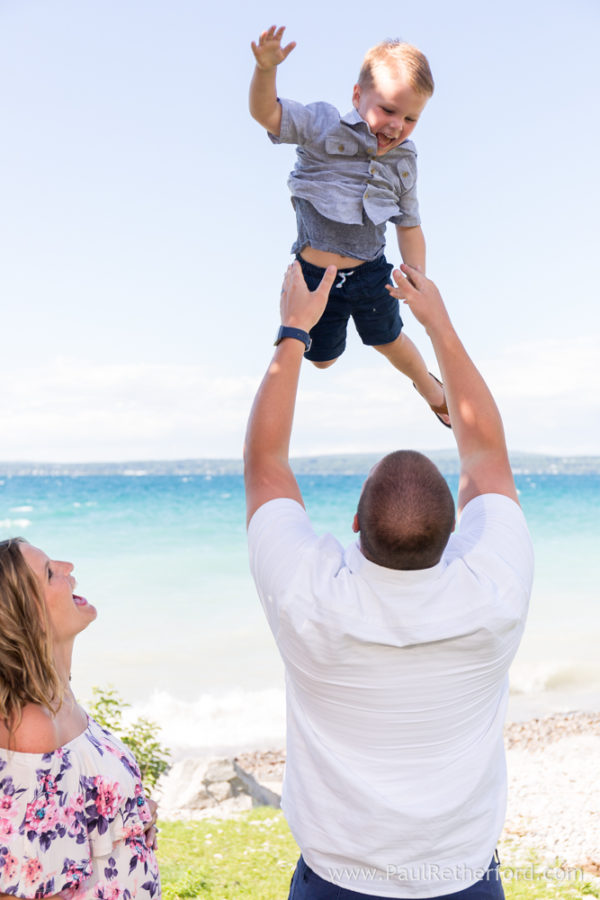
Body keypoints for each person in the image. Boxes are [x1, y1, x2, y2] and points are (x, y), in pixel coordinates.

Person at [244, 261, 534, 899]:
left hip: (334, 881)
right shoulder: (494, 594)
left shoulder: (308, 596)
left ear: (353, 523)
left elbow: (266, 465)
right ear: (457, 530)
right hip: (462, 878)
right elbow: (485, 455)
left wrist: (295, 330)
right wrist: (439, 328)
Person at [250, 25, 450, 428]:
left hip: (370, 272)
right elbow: (266, 113)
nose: (397, 125)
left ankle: (431, 389)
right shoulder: (321, 125)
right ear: (357, 96)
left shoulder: (404, 159)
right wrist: (265, 70)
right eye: (389, 110)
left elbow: (408, 224)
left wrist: (417, 281)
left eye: (411, 118)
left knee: (388, 340)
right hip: (314, 276)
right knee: (322, 360)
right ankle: (329, 342)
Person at [0, 539, 160, 900]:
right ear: (29, 615)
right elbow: (20, 889)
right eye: (50, 572)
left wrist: (130, 814)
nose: (69, 567)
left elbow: (70, 822)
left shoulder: (55, 698)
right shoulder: (30, 728)